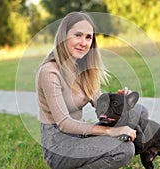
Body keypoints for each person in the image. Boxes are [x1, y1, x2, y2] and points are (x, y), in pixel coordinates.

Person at [36, 11, 137, 169]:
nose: (83, 42)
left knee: (138, 112)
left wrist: (118, 102)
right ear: (63, 36)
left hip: (80, 136)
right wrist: (110, 132)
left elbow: (99, 103)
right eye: (78, 35)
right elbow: (64, 124)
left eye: (88, 37)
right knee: (123, 149)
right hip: (58, 145)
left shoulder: (83, 68)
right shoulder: (50, 72)